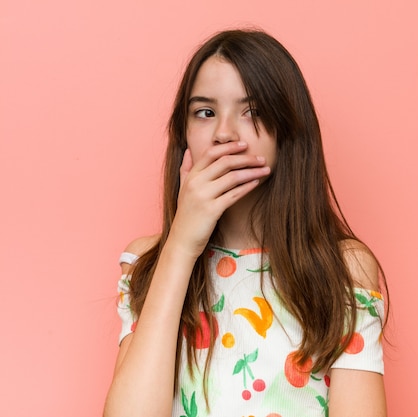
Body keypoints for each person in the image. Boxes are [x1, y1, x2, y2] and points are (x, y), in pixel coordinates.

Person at [104, 29, 388, 417]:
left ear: (286, 131)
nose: (223, 133)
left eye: (252, 111)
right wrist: (182, 245)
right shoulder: (146, 264)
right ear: (184, 135)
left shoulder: (342, 268)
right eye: (205, 112)